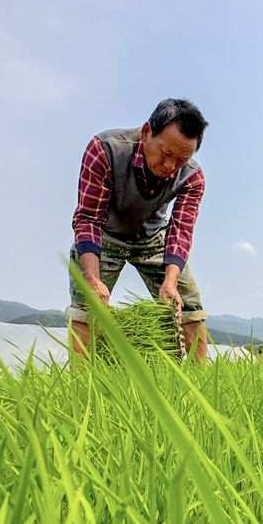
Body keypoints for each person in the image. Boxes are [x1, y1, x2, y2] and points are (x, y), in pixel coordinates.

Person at [67, 98, 209, 360]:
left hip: (152, 236)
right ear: (147, 132)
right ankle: (81, 385)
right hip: (106, 233)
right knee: (87, 306)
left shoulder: (192, 176)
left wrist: (170, 282)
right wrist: (93, 279)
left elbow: (180, 230)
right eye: (166, 153)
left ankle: (203, 380)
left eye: (180, 159)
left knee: (188, 304)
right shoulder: (106, 149)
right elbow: (88, 219)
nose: (170, 166)